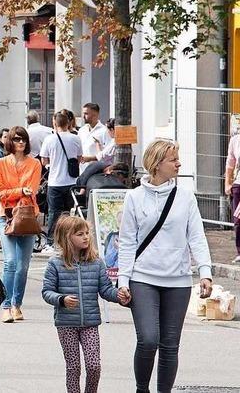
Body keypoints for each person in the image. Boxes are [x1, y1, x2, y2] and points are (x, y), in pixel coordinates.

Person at [117, 138, 213, 393]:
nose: (178, 163)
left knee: (170, 345)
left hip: (178, 280)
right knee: (148, 340)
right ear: (157, 164)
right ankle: (141, 389)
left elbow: (196, 236)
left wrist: (205, 272)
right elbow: (126, 243)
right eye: (173, 159)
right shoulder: (135, 198)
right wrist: (123, 281)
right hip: (143, 278)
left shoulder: (185, 197)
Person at [41, 216, 126, 393]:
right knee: (73, 367)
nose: (86, 237)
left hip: (90, 323)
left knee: (94, 366)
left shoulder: (96, 263)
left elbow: (106, 290)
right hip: (66, 324)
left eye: (87, 233)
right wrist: (61, 299)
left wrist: (119, 296)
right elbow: (47, 292)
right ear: (66, 237)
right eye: (80, 234)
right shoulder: (55, 263)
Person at [0, 126, 42, 323]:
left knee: (23, 266)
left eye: (23, 139)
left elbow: (32, 189)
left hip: (27, 215)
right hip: (6, 215)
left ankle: (16, 305)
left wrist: (18, 191)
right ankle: (6, 305)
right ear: (9, 142)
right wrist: (20, 190)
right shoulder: (0, 163)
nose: (20, 142)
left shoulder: (35, 164)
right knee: (11, 261)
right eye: (16, 139)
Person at [40, 112, 83, 249]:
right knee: (68, 212)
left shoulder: (49, 139)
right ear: (68, 123)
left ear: (55, 123)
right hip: (71, 181)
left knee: (54, 212)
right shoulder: (76, 139)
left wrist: (50, 165)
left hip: (55, 182)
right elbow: (79, 157)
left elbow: (43, 160)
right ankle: (67, 240)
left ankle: (51, 241)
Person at [78, 103, 109, 173]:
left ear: (95, 114)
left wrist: (91, 158)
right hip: (82, 171)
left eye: (86, 113)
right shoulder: (82, 130)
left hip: (96, 172)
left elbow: (107, 154)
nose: (83, 116)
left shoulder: (104, 131)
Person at [224, 132, 240, 264]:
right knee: (238, 220)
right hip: (238, 184)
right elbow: (230, 164)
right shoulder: (235, 140)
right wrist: (227, 184)